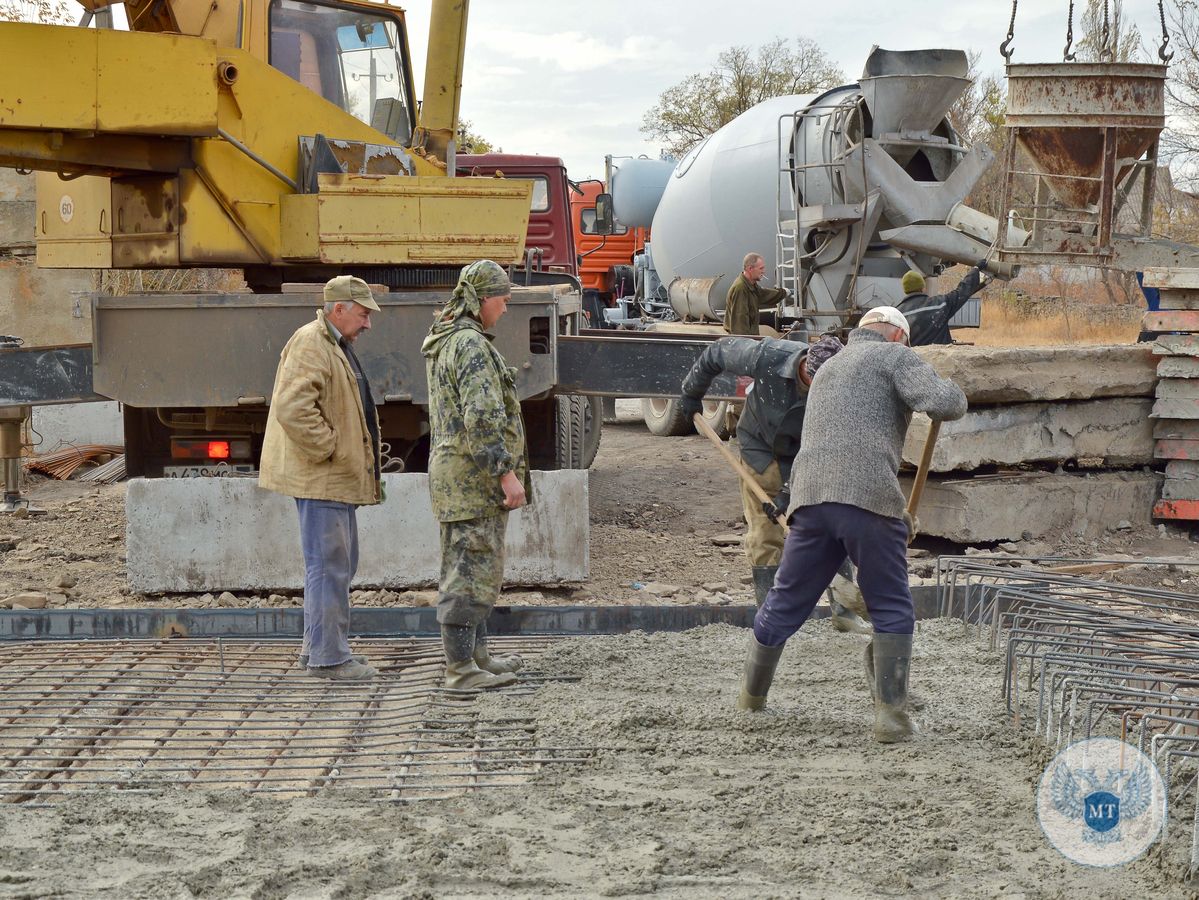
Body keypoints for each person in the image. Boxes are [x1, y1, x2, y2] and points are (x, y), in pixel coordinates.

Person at [735, 306, 968, 743]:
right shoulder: (895, 358)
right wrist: (953, 387)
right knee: (891, 604)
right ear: (898, 336)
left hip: (809, 499)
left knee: (786, 601)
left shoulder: (827, 367)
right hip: (867, 497)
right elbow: (943, 404)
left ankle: (750, 699)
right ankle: (891, 719)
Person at [678, 334, 870, 633]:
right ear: (806, 369)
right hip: (761, 449)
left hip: (807, 457)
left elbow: (828, 447)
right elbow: (717, 352)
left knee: (831, 527)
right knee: (766, 533)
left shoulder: (840, 388)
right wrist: (692, 392)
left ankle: (844, 612)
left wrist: (791, 492)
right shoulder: (768, 355)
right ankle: (769, 617)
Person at [259, 274, 382, 681]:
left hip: (334, 477)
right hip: (323, 477)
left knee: (336, 564)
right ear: (340, 308)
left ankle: (319, 650)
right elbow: (293, 407)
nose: (368, 324)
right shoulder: (312, 342)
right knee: (329, 565)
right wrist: (329, 449)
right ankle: (330, 658)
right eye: (363, 314)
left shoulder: (332, 343)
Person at [422, 259, 530, 691]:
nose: (505, 309)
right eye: (502, 300)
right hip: (473, 479)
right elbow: (481, 417)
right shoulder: (469, 345)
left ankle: (476, 657)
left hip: (463, 478)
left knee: (477, 569)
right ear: (483, 300)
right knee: (467, 573)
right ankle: (460, 670)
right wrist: (506, 474)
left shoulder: (453, 339)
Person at [896, 263, 989, 346]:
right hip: (940, 362)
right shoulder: (940, 304)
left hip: (913, 363)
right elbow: (962, 291)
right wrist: (976, 269)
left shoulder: (897, 314)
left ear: (905, 290)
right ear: (923, 287)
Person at [723, 252, 789, 336]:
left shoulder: (750, 285)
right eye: (761, 268)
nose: (763, 271)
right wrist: (746, 345)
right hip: (743, 341)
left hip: (750, 338)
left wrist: (784, 292)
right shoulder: (740, 289)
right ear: (750, 269)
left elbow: (764, 295)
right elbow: (740, 322)